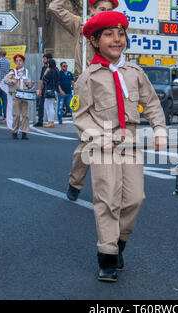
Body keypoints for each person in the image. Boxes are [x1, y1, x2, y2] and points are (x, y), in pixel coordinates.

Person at [74, 11, 167, 282]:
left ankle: (120, 243)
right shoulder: (88, 77)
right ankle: (107, 256)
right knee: (107, 200)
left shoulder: (134, 72)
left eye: (121, 33)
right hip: (102, 145)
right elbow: (80, 116)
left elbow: (152, 104)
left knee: (135, 198)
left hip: (131, 143)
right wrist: (102, 140)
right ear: (95, 41)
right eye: (108, 34)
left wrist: (159, 130)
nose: (117, 39)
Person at [48, 0, 119, 202]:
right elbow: (54, 8)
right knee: (87, 142)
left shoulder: (116, 33)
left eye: (109, 10)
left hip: (108, 89)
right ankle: (75, 182)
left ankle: (110, 189)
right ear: (93, 9)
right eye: (101, 9)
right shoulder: (80, 26)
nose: (105, 13)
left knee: (112, 139)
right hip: (85, 87)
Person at [3, 54, 35, 140]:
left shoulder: (26, 72)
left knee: (25, 114)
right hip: (16, 94)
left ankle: (24, 132)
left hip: (24, 94)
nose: (18, 62)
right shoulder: (13, 72)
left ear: (23, 62)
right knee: (16, 114)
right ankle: (15, 131)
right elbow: (5, 80)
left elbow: (28, 83)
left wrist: (30, 85)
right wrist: (13, 81)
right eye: (17, 61)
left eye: (20, 60)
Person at [34, 53, 52, 127]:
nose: (43, 60)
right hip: (50, 89)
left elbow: (41, 80)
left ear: (48, 59)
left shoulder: (45, 68)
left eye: (44, 59)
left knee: (45, 106)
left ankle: (45, 121)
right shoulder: (55, 68)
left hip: (46, 89)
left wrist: (40, 89)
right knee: (45, 106)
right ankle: (44, 121)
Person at [42, 59, 60, 128]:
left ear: (49, 64)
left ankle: (51, 122)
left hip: (50, 90)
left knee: (49, 106)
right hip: (53, 90)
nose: (47, 65)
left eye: (48, 64)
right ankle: (50, 121)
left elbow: (44, 79)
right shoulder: (56, 71)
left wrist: (46, 72)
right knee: (48, 106)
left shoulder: (50, 71)